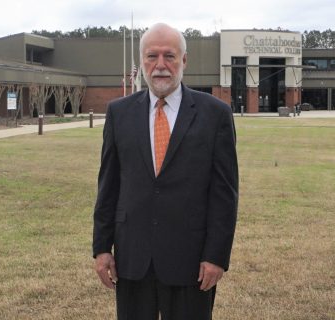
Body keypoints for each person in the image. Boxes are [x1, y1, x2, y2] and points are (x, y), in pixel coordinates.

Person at [92, 23, 239, 320]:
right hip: (132, 258)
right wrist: (102, 248)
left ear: (184, 60)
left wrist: (216, 256)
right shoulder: (119, 113)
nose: (160, 65)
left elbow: (224, 193)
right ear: (142, 61)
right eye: (152, 56)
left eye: (169, 56)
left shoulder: (215, 114)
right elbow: (109, 185)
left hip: (191, 261)